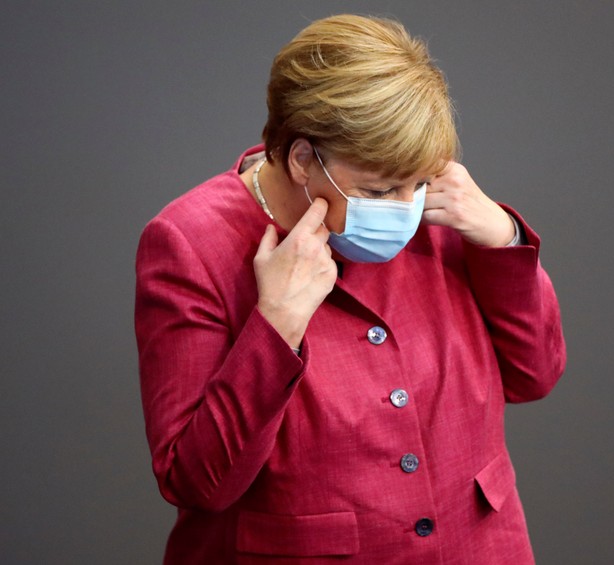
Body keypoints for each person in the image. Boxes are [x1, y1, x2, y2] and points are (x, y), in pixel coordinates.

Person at [135, 14, 566, 564]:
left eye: (418, 183)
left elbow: (536, 373)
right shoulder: (190, 243)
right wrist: (276, 325)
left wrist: (501, 242)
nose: (405, 209)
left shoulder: (437, 207)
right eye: (380, 190)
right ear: (301, 159)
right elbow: (198, 483)